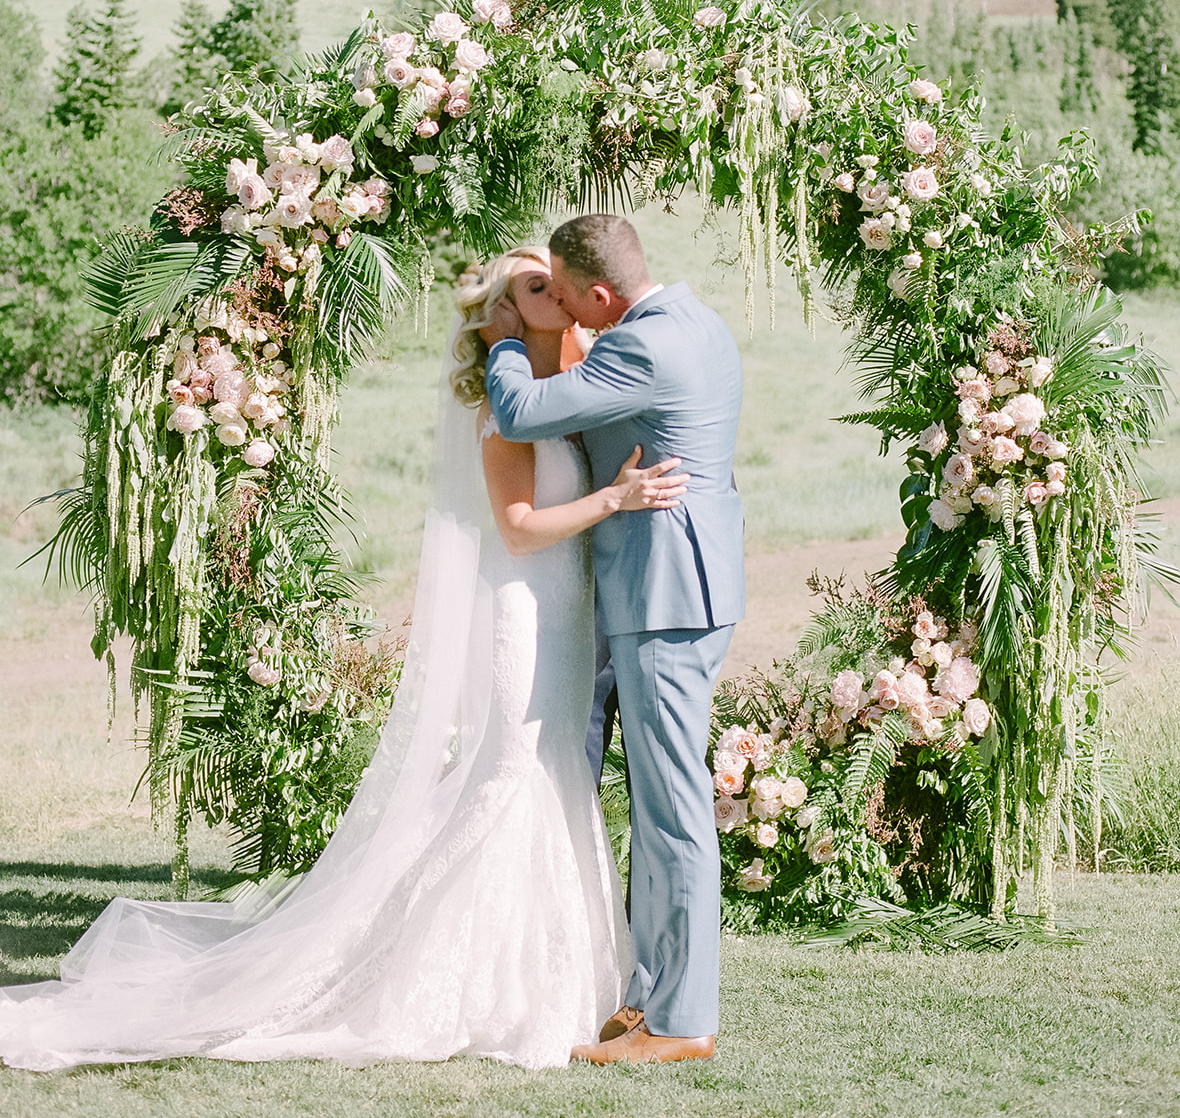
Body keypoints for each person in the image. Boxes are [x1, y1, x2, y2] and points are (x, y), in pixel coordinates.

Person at [0, 245, 689, 1073]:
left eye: (560, 278)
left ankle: (551, 978)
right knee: (511, 773)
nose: (560, 291)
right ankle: (432, 971)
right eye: (537, 286)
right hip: (524, 614)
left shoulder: (567, 394)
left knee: (552, 774)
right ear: (505, 313)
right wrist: (612, 497)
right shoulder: (501, 410)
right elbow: (516, 528)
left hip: (571, 619)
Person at [484, 214, 745, 1066]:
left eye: (564, 292)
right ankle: (649, 996)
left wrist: (502, 338)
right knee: (659, 802)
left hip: (665, 591)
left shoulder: (640, 348)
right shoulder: (695, 320)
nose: (556, 302)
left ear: (601, 294)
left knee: (671, 813)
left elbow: (519, 411)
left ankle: (680, 1023)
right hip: (682, 584)